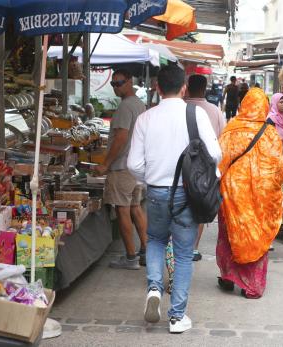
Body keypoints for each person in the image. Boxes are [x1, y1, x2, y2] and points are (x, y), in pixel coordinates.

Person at [128, 65, 222, 333]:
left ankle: (155, 288)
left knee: (155, 240)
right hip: (186, 193)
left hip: (156, 191)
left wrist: (153, 176)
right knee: (182, 253)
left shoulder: (146, 118)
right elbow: (215, 154)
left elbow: (133, 164)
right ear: (184, 88)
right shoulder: (196, 114)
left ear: (157, 87)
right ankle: (177, 316)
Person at [216, 87, 283, 299]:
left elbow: (219, 162)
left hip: (232, 194)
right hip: (262, 198)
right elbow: (278, 169)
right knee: (256, 235)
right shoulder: (271, 134)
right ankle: (251, 286)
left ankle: (229, 277)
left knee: (230, 234)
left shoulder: (232, 129)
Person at [96, 68, 148, 269]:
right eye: (113, 84)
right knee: (135, 208)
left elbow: (121, 137)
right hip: (135, 166)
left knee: (123, 210)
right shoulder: (139, 104)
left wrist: (105, 164)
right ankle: (144, 250)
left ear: (130, 81)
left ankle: (130, 257)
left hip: (122, 167)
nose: (116, 87)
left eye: (119, 83)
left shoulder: (126, 107)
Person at [185, 74, 227, 262]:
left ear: (187, 87)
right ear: (205, 88)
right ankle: (193, 247)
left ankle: (175, 246)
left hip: (180, 167)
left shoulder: (181, 108)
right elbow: (221, 140)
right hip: (205, 170)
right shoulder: (214, 110)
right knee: (199, 207)